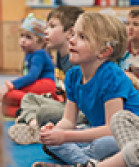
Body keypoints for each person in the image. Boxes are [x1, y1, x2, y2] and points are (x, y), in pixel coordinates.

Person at [31, 0, 139, 167]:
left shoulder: (110, 74)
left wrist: (66, 136)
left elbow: (111, 129)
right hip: (101, 133)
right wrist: (56, 132)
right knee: (54, 142)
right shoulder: (72, 76)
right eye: (73, 34)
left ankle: (89, 165)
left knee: (103, 144)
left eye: (82, 37)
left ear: (104, 52)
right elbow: (68, 121)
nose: (71, 40)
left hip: (134, 136)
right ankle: (91, 165)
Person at [7, 6, 85, 145]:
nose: (45, 31)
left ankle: (36, 125)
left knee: (44, 111)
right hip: (65, 105)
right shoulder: (60, 58)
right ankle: (34, 126)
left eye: (52, 26)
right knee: (28, 99)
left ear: (70, 32)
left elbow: (81, 101)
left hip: (79, 112)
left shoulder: (76, 61)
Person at [0, 13, 56, 117]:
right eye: (22, 36)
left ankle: (40, 104)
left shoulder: (39, 54)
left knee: (8, 95)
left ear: (41, 42)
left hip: (46, 85)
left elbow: (32, 76)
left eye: (28, 37)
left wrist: (12, 85)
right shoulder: (30, 54)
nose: (23, 40)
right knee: (5, 108)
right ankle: (24, 111)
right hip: (39, 85)